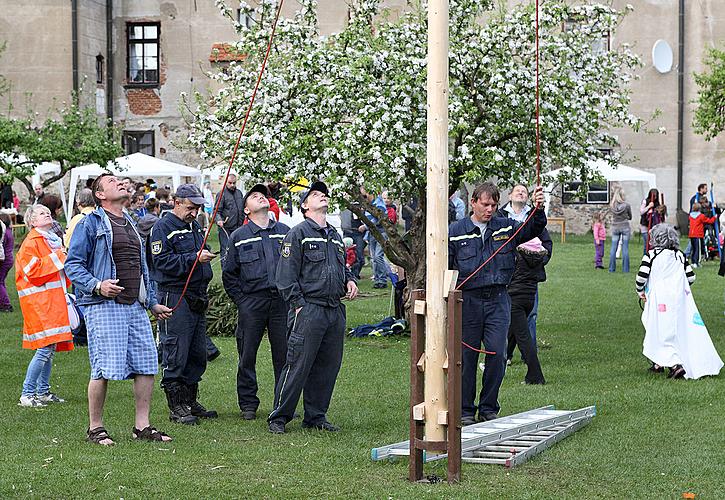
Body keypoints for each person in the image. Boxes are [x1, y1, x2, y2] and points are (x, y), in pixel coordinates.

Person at [65, 174, 174, 445]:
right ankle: (95, 428)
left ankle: (142, 426)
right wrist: (98, 285)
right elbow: (73, 265)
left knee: (147, 363)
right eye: (113, 182)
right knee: (103, 367)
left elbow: (141, 269)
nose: (121, 184)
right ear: (100, 195)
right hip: (104, 305)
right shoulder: (91, 223)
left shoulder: (131, 223)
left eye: (121, 182)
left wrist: (150, 302)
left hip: (134, 306)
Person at [449, 182, 546, 425]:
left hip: (499, 298)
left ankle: (489, 407)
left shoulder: (505, 226)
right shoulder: (456, 230)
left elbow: (531, 229)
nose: (490, 209)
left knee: (497, 353)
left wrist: (539, 207)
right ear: (473, 202)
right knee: (467, 358)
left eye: (493, 204)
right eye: (485, 204)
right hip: (468, 300)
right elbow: (447, 268)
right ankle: (466, 410)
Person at [267, 181, 358, 434]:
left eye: (324, 194)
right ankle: (279, 416)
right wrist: (298, 306)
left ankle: (316, 415)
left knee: (328, 366)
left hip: (334, 310)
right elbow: (285, 276)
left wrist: (349, 280)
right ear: (305, 205)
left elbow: (343, 267)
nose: (322, 197)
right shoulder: (297, 234)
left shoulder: (335, 236)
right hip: (309, 308)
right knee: (297, 364)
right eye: (315, 195)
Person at [148, 184, 218, 425]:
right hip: (175, 294)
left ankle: (190, 400)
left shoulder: (194, 225)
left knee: (197, 351)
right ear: (176, 203)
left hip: (197, 295)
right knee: (176, 350)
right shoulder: (162, 228)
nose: (194, 212)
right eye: (190, 207)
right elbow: (162, 263)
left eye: (197, 208)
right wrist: (194, 258)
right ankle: (176, 405)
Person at [222, 184, 290, 421]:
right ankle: (248, 404)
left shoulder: (284, 231)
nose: (260, 197)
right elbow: (229, 274)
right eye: (253, 196)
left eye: (263, 195)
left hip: (280, 303)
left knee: (284, 356)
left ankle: (281, 403)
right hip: (252, 302)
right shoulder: (238, 236)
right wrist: (242, 301)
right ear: (246, 210)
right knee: (247, 354)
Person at [636, 223, 722, 379]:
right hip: (678, 299)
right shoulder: (680, 255)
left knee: (657, 328)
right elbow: (691, 277)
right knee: (674, 328)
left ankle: (674, 364)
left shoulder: (651, 255)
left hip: (658, 299)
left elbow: (641, 276)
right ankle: (659, 363)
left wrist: (640, 290)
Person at [15, 204, 74, 407]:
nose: (47, 214)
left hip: (51, 302)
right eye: (41, 213)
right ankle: (27, 393)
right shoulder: (32, 242)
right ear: (32, 221)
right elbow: (33, 271)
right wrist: (60, 255)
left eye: (48, 212)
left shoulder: (51, 240)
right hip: (39, 304)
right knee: (44, 348)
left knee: (50, 347)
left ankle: (43, 391)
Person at [497, 183, 548, 356]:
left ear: (528, 198)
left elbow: (546, 243)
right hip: (506, 274)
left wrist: (539, 261)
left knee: (530, 314)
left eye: (524, 191)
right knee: (505, 313)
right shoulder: (499, 216)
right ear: (509, 196)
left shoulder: (534, 217)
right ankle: (505, 354)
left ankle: (529, 354)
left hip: (529, 275)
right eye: (517, 190)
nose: (521, 193)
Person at [506, 237, 549, 385]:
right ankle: (500, 361)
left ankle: (535, 375)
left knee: (523, 337)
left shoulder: (517, 254)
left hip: (515, 297)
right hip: (529, 297)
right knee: (512, 332)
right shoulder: (537, 253)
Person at [214, 173, 245, 261]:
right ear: (226, 182)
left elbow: (242, 208)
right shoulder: (221, 194)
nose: (232, 185)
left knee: (238, 249)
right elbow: (216, 211)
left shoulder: (239, 193)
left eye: (234, 183)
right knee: (226, 250)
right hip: (225, 227)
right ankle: (225, 272)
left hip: (238, 227)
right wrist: (219, 220)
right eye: (230, 183)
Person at [362, 189, 389, 289]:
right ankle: (377, 280)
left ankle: (382, 280)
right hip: (371, 233)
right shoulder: (369, 205)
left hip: (381, 233)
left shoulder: (379, 204)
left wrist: (365, 227)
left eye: (365, 194)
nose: (364, 197)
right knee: (373, 258)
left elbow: (378, 219)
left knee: (378, 256)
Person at [608, 188, 632, 273]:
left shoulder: (612, 206)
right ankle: (625, 269)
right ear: (622, 196)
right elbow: (630, 217)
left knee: (613, 248)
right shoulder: (627, 205)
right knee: (625, 248)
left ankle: (611, 269)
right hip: (625, 227)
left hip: (615, 227)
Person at [688, 202, 717, 268]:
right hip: (698, 235)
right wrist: (714, 217)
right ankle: (696, 262)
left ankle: (693, 261)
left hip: (692, 235)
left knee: (694, 249)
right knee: (698, 249)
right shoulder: (701, 216)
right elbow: (709, 221)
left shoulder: (690, 216)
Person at [340, 206, 365, 279]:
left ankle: (355, 275)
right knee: (345, 255)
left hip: (358, 232)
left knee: (359, 256)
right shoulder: (343, 206)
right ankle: (349, 275)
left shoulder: (360, 204)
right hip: (347, 231)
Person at [639, 188, 665, 253]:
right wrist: (648, 207)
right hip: (645, 226)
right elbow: (641, 211)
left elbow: (660, 216)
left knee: (653, 245)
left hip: (654, 227)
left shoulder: (657, 203)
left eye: (656, 196)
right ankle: (645, 259)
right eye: (654, 196)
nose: (655, 197)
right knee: (647, 244)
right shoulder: (645, 201)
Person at [0, 213, 14, 312]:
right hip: (9, 259)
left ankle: (6, 304)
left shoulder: (4, 234)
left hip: (5, 260)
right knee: (1, 281)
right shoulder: (9, 232)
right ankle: (3, 301)